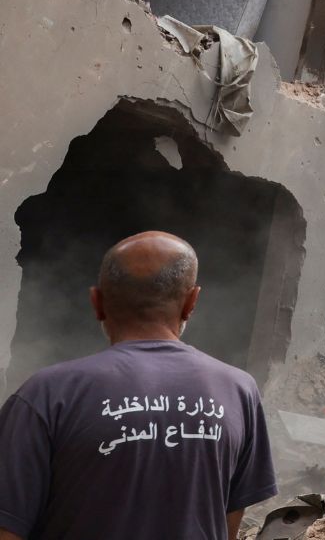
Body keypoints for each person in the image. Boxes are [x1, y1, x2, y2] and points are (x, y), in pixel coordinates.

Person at [0, 231, 277, 539]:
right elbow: (228, 525)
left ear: (97, 303)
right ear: (191, 302)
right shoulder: (239, 391)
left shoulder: (46, 395)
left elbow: (7, 527)